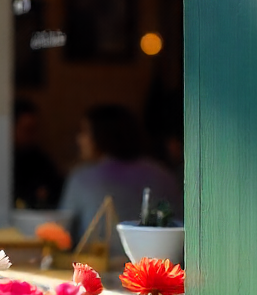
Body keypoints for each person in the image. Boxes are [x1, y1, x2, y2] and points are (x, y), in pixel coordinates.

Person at [60, 104, 182, 249]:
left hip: (98, 261)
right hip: (157, 260)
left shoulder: (82, 178)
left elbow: (61, 232)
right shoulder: (162, 173)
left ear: (102, 135)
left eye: (84, 131)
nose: (79, 139)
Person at [12, 98, 62, 209]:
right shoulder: (2, 161)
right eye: (27, 130)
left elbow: (55, 189)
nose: (32, 135)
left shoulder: (41, 161)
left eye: (34, 129)